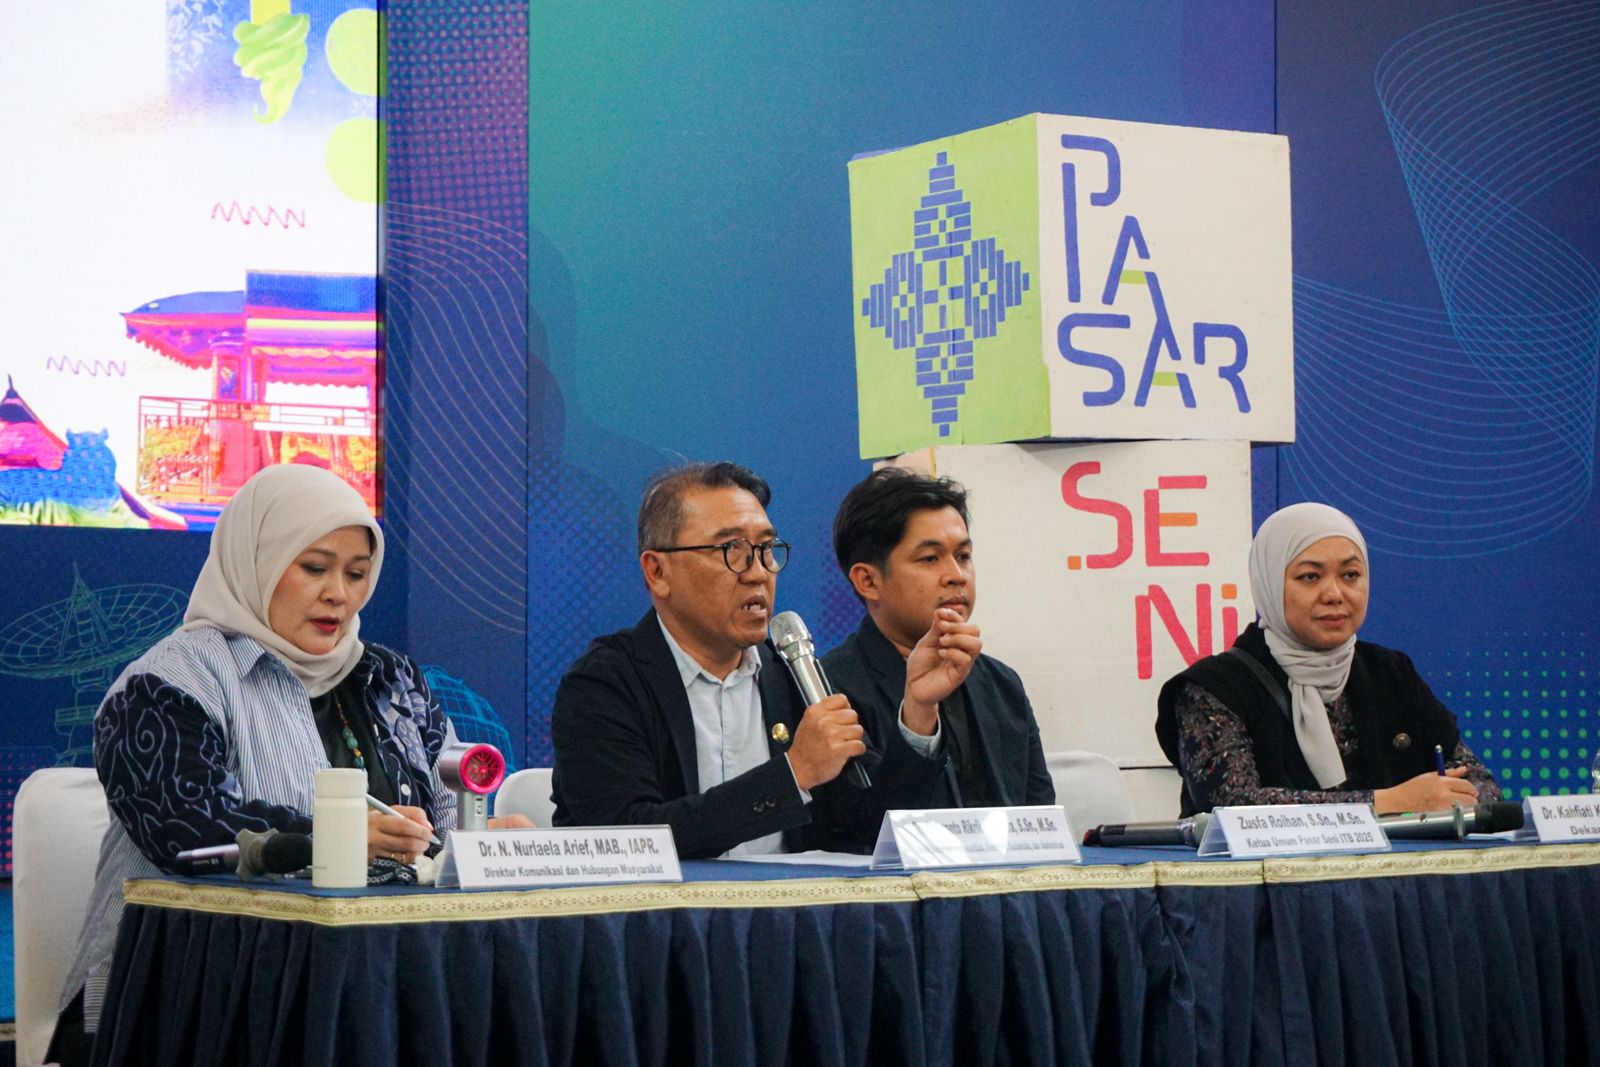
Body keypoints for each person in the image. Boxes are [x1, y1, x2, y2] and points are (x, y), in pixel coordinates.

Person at [50, 464, 528, 1065]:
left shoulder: (392, 681)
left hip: (375, 985)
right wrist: (329, 838)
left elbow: (429, 836)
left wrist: (478, 847)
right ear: (258, 560)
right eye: (314, 568)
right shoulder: (165, 685)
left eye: (357, 574)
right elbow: (188, 836)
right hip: (186, 1001)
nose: (340, 594)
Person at [550, 461, 938, 858]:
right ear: (657, 571)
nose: (758, 573)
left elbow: (872, 824)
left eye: (767, 549)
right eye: (731, 550)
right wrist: (792, 775)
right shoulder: (604, 683)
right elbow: (627, 839)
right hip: (657, 918)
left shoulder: (795, 674)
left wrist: (919, 716)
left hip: (785, 918)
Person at [1156, 501, 1499, 815]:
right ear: (1270, 585)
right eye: (1310, 577)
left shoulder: (1389, 672)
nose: (1334, 594)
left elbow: (1483, 788)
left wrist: (1452, 797)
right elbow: (1232, 806)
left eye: (1350, 575)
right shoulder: (1216, 687)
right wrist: (1393, 802)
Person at [821, 467, 1054, 810]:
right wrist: (918, 714)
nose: (956, 576)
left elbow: (1041, 822)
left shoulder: (1002, 684)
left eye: (963, 556)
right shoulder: (830, 691)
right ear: (868, 581)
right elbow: (867, 832)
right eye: (930, 559)